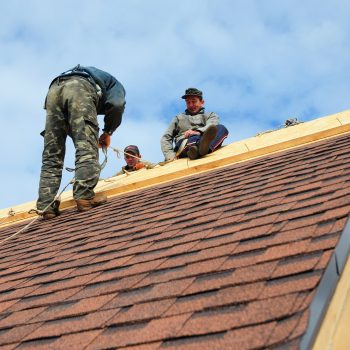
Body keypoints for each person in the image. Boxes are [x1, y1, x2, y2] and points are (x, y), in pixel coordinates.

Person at [37, 64, 126, 219]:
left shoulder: (93, 75)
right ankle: (84, 196)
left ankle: (46, 205)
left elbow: (73, 125)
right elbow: (117, 106)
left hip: (54, 90)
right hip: (79, 88)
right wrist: (108, 132)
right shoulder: (116, 86)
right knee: (86, 147)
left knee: (52, 154)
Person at [161, 88, 229, 161]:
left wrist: (198, 131)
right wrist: (170, 155)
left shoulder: (211, 115)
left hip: (203, 139)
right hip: (185, 143)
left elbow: (212, 125)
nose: (191, 105)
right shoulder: (178, 118)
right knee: (194, 138)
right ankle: (200, 148)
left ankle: (198, 151)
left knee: (222, 128)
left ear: (202, 102)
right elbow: (166, 137)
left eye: (194, 101)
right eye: (188, 102)